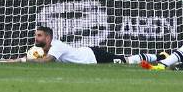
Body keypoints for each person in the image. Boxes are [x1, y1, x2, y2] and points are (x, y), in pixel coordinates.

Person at [14, 26, 157, 65]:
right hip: (88, 54)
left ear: (48, 37)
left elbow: (46, 60)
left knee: (126, 61)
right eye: (35, 35)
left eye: (39, 35)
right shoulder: (40, 49)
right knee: (126, 60)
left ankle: (159, 56)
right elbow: (36, 57)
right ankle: (158, 57)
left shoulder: (56, 46)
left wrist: (24, 60)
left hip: (93, 57)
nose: (36, 38)